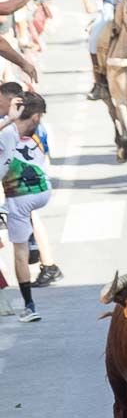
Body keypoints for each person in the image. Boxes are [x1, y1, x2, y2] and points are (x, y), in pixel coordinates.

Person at [0, 84, 59, 290]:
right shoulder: (37, 125)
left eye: (0, 102)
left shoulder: (10, 126)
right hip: (30, 183)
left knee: (30, 220)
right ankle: (47, 262)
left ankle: (47, 263)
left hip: (19, 184)